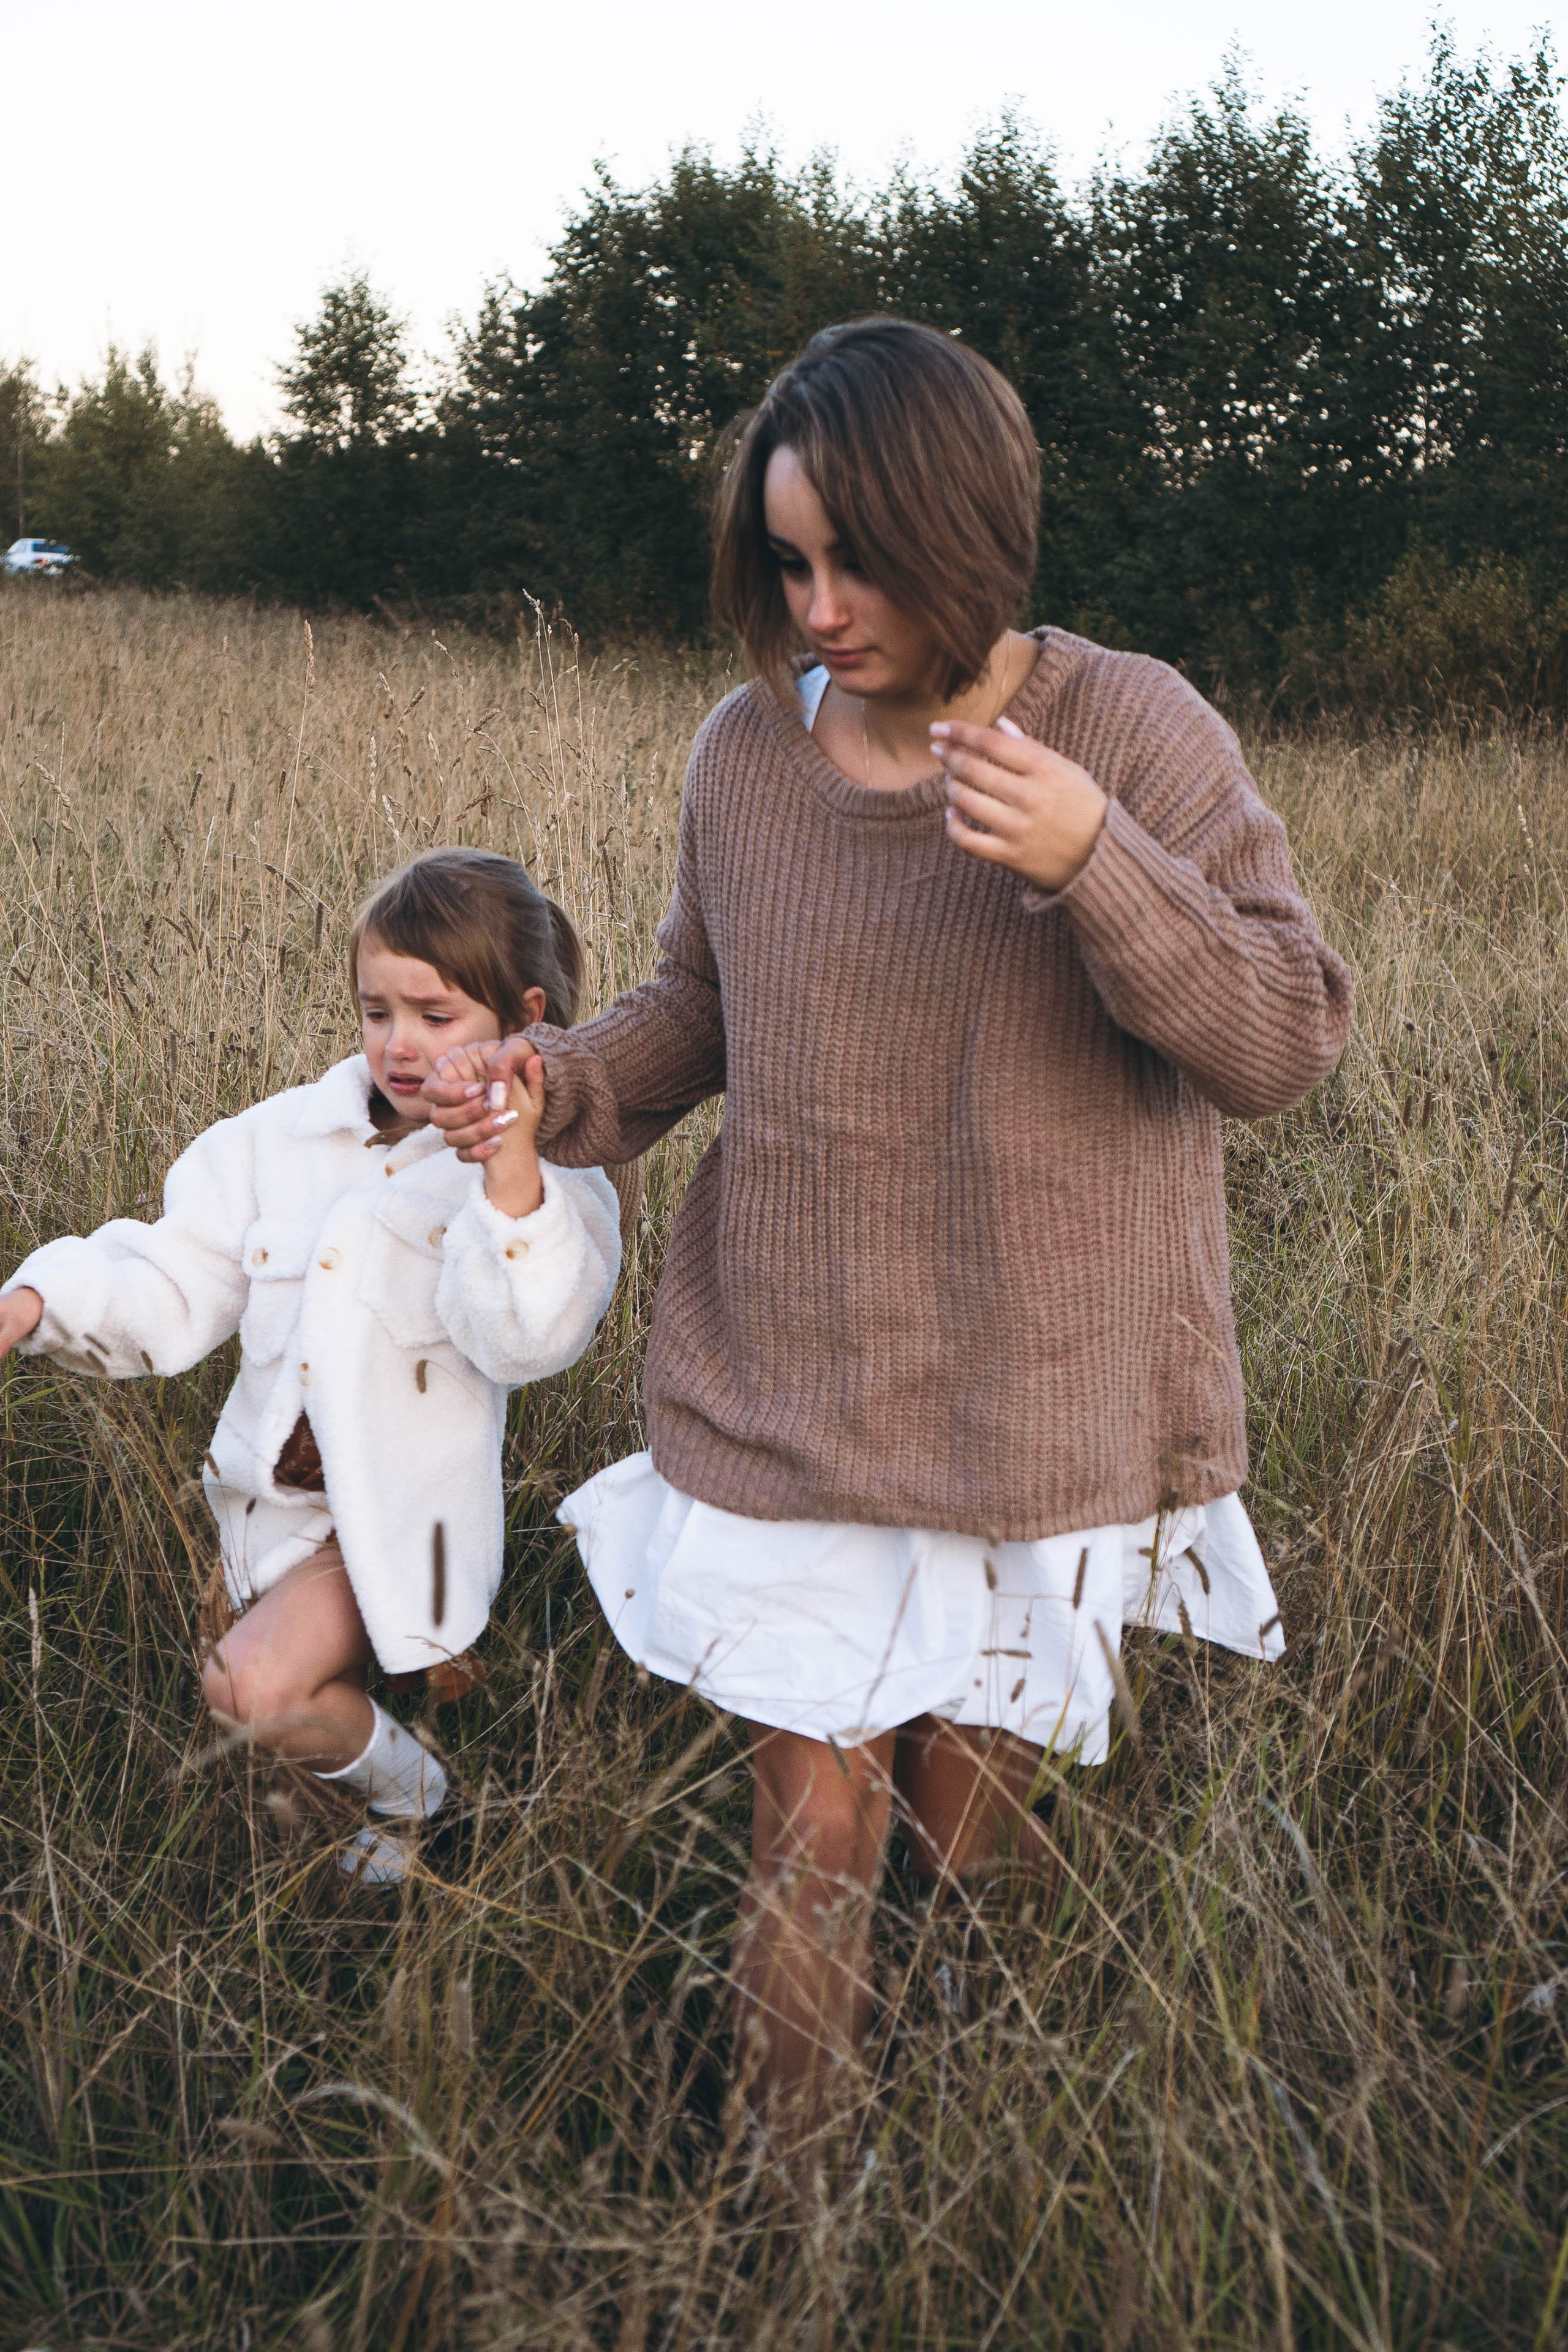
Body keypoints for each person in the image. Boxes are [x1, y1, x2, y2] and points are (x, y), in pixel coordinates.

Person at [426, 318, 1354, 2114]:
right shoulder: (745, 757)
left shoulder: (1130, 728)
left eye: (859, 557)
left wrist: (1100, 861)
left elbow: (1285, 1039)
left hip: (1037, 1391)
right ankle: (796, 2219)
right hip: (796, 1377)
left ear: (969, 530)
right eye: (789, 559)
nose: (821, 605)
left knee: (971, 1817)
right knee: (814, 1817)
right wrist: (561, 1087)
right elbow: (700, 1002)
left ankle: (971, 2144)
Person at [0, 848, 623, 1883]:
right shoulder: (277, 1142)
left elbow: (531, 1336)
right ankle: (364, 1865)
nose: (401, 1046)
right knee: (260, 1765)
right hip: (260, 1511)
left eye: (436, 1016)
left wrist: (508, 1174)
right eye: (377, 1013)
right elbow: (172, 1279)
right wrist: (37, 1303)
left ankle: (429, 1799)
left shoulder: (543, 1183)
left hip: (388, 1522)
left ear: (525, 1017)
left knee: (251, 1691)